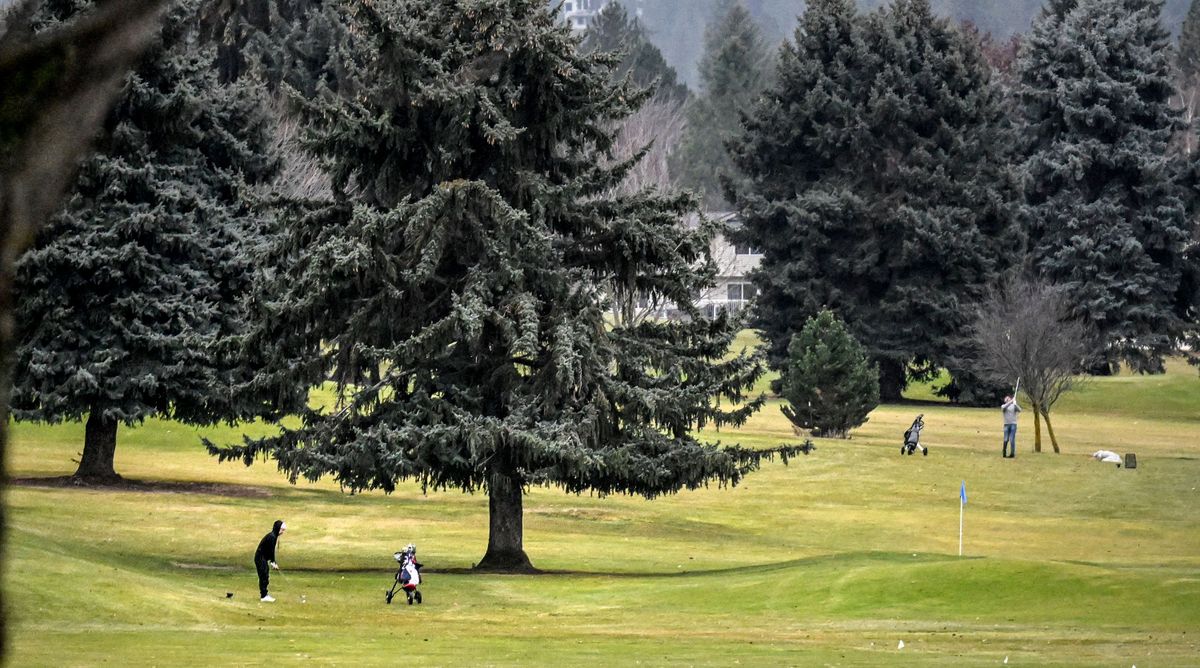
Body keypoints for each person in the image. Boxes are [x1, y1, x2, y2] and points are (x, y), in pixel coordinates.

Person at [254, 520, 285, 602]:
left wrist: (273, 562)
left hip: (263, 558)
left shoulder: (274, 536)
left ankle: (264, 595)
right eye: (282, 530)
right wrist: (273, 562)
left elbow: (271, 551)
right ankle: (264, 596)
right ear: (278, 528)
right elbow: (271, 551)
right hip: (260, 558)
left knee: (265, 575)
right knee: (263, 576)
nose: (283, 532)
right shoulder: (272, 537)